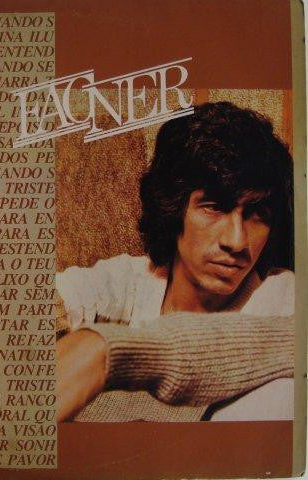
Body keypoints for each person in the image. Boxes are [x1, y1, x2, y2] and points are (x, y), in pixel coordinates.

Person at [56, 102, 295, 422]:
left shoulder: (283, 296)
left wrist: (109, 352)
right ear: (173, 207)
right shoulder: (132, 281)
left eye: (257, 215)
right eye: (214, 207)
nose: (237, 241)